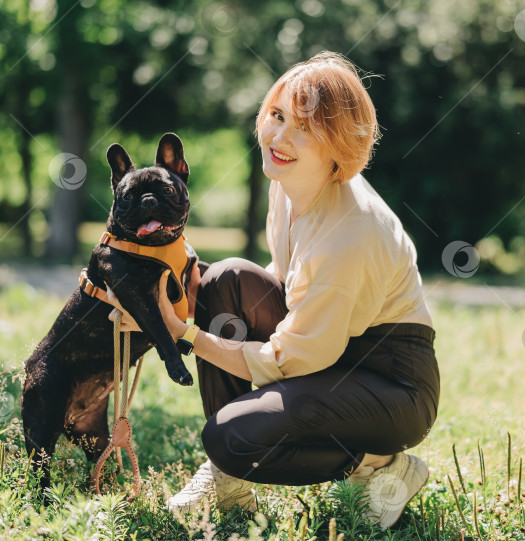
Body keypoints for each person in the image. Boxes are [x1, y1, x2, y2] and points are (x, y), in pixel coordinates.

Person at [108, 51, 439, 530]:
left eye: (304, 127)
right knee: (224, 280)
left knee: (229, 437)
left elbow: (292, 360)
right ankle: (230, 482)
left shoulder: (351, 232)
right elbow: (289, 286)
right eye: (277, 115)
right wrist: (175, 297)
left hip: (393, 385)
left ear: (338, 144)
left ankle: (382, 463)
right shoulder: (287, 181)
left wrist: (183, 333)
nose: (279, 137)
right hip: (334, 349)